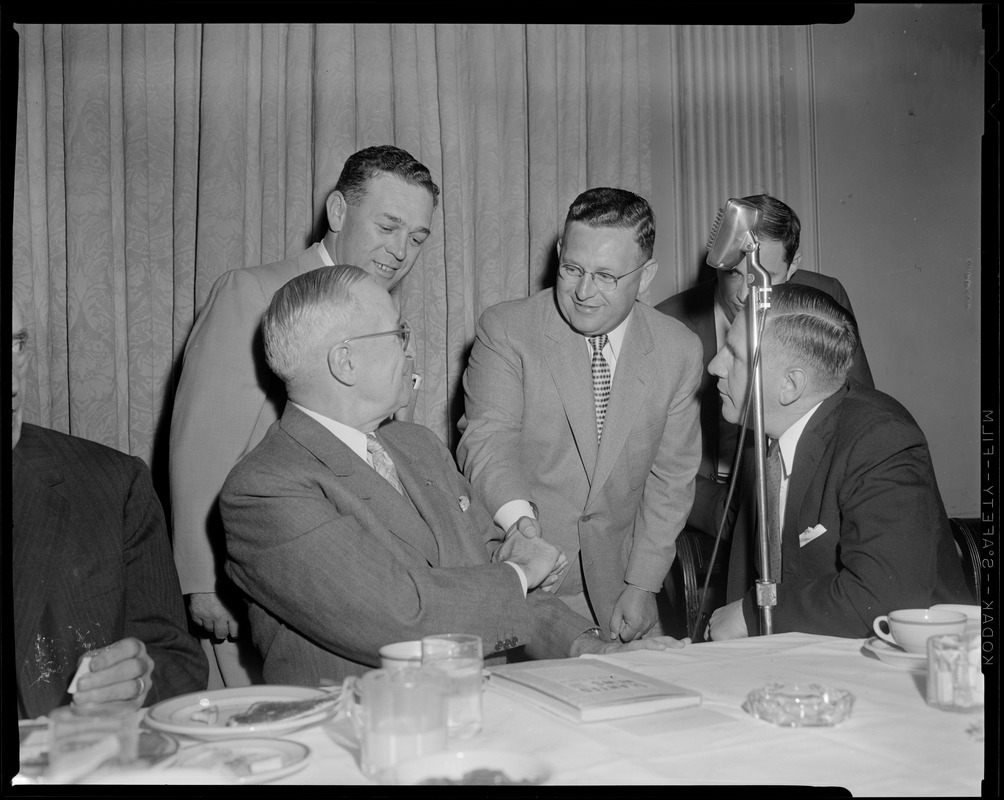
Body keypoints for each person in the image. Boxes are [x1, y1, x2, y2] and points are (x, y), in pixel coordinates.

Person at [219, 265, 685, 685]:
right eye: (397, 333)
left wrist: (595, 651)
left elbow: (498, 589)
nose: (410, 348)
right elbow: (401, 617)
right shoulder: (266, 488)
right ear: (345, 361)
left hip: (479, 717)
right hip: (365, 742)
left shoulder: (417, 445)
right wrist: (520, 569)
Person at [169, 145, 438, 688]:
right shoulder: (254, 294)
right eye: (388, 226)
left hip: (357, 584)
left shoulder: (386, 316)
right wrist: (202, 579)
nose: (399, 251)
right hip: (257, 573)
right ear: (337, 213)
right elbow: (201, 444)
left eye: (416, 237)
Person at [457, 187, 704, 644]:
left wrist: (644, 582)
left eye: (607, 276)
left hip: (623, 591)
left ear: (646, 276)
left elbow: (672, 479)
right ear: (558, 254)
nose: (584, 292)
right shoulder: (507, 330)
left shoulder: (678, 349)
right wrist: (522, 528)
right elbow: (488, 441)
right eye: (572, 269)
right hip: (528, 583)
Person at [706, 283, 971, 640]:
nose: (714, 366)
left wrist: (753, 612)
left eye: (734, 355)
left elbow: (884, 600)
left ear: (790, 385)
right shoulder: (765, 432)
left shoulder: (881, 440)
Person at [11, 297, 207, 719]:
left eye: (16, 344)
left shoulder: (112, 485)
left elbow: (179, 663)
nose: (11, 382)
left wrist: (138, 684)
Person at [656, 194, 874, 522]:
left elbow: (857, 410)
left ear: (794, 264)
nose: (746, 293)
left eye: (763, 275)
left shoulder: (824, 298)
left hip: (807, 493)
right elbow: (655, 457)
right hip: (712, 500)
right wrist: (726, 516)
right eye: (733, 273)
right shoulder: (667, 323)